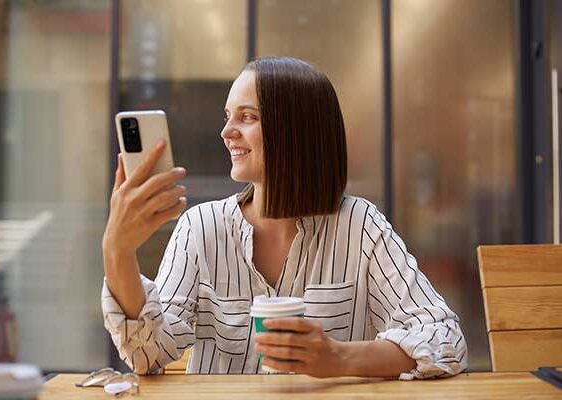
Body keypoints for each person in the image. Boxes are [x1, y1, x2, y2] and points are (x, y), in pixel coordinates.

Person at [101, 56, 467, 379]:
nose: (227, 132)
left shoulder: (360, 226)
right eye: (228, 117)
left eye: (247, 117)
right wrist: (117, 251)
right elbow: (147, 354)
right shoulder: (201, 228)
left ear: (295, 130)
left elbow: (444, 338)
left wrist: (338, 357)